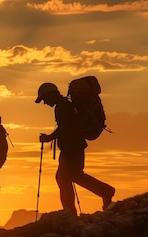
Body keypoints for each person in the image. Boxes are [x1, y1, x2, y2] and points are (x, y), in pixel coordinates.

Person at [35, 82, 115, 214]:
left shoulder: (62, 106)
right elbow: (66, 127)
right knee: (72, 176)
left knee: (64, 177)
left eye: (44, 99)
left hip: (71, 149)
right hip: (73, 147)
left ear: (50, 95)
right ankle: (103, 192)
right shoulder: (65, 104)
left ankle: (71, 211)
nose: (44, 103)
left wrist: (49, 138)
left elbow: (65, 128)